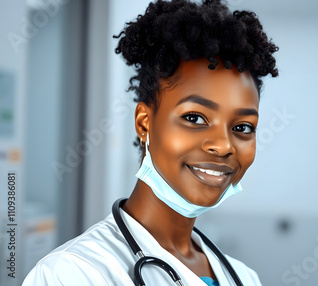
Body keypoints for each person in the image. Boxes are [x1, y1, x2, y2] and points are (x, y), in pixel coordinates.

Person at [22, 0, 278, 285]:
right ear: (144, 123)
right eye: (194, 118)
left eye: (242, 127)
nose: (223, 145)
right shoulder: (73, 273)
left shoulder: (244, 277)